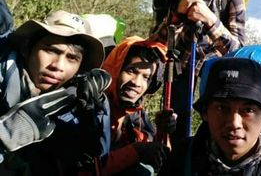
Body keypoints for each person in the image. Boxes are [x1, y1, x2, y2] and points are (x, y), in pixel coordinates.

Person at [150, 0, 246, 141]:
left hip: (214, 69)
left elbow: (239, 52)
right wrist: (176, 15)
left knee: (214, 126)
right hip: (177, 68)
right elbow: (154, 41)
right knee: (174, 126)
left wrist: (212, 21)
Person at [0, 10, 111, 175]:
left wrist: (96, 111)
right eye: (51, 50)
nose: (58, 66)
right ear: (26, 49)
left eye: (72, 58)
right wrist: (10, 132)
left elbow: (92, 162)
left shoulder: (72, 102)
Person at [160, 57, 261, 175]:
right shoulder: (180, 160)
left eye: (248, 110)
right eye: (221, 108)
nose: (234, 122)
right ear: (205, 113)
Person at [102, 36, 176, 175]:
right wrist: (136, 151)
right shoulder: (90, 110)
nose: (136, 83)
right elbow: (84, 170)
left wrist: (162, 132)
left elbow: (159, 158)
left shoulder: (136, 117)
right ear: (115, 69)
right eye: (131, 71)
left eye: (146, 77)